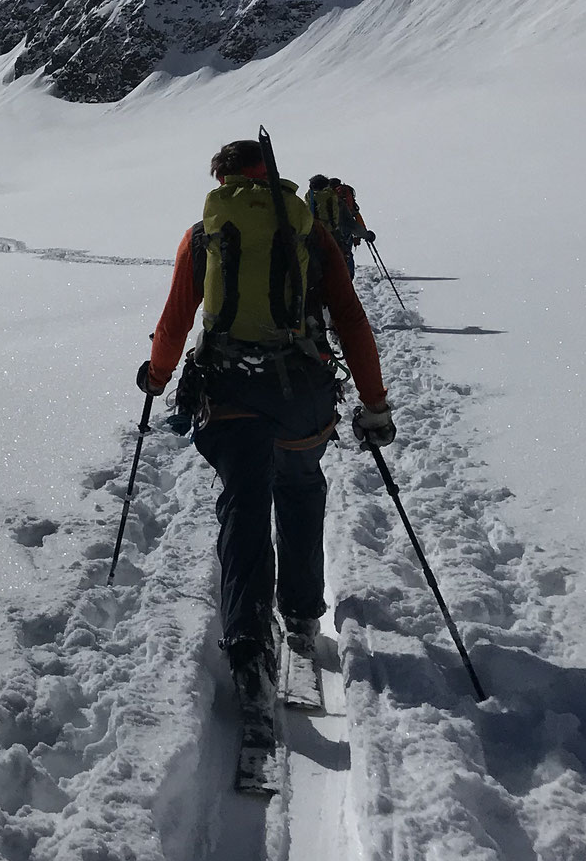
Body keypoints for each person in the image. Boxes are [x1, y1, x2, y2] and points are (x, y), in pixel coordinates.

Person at [138, 140, 396, 748]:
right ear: (269, 174)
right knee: (301, 487)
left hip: (230, 396)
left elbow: (177, 316)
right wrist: (374, 403)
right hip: (301, 394)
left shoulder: (204, 232)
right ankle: (302, 619)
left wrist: (156, 374)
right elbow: (351, 320)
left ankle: (249, 652)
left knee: (245, 506)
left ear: (221, 178)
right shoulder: (308, 228)